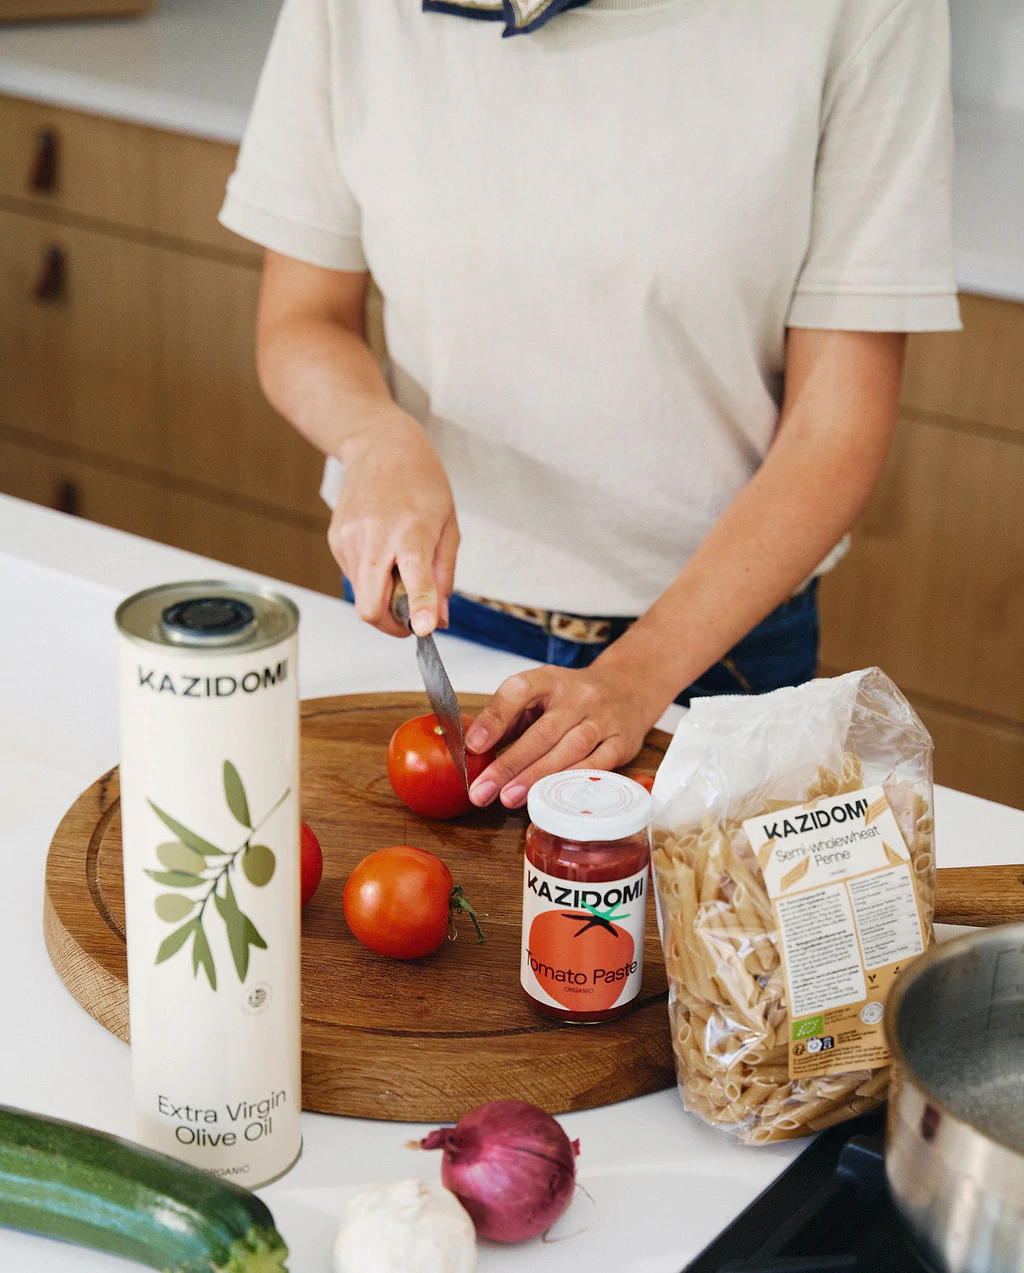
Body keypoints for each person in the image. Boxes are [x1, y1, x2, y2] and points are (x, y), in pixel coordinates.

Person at [220, 0, 959, 810]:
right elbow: (301, 319)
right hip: (434, 614)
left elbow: (837, 424)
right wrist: (374, 439)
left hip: (719, 645)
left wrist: (638, 675)